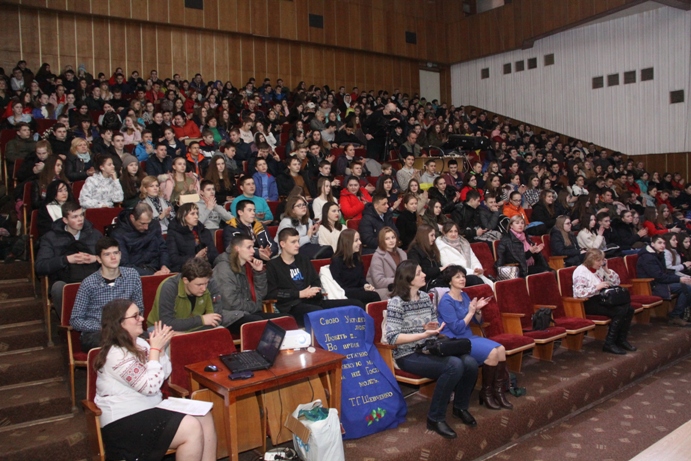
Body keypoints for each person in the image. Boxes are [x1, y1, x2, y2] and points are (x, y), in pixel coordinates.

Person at [94, 299, 217, 461]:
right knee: (190, 427)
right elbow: (150, 387)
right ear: (120, 323)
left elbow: (162, 375)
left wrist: (161, 351)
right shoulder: (115, 354)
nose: (142, 318)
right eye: (135, 316)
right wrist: (154, 349)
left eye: (140, 314)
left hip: (151, 408)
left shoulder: (140, 343)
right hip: (123, 421)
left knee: (204, 415)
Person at [384, 260, 478, 438]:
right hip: (407, 353)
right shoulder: (396, 303)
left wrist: (431, 328)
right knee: (454, 365)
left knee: (470, 363)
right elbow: (393, 337)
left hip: (430, 347)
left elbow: (432, 322)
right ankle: (435, 417)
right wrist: (423, 334)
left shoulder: (425, 297)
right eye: (419, 273)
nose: (424, 275)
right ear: (409, 279)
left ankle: (460, 407)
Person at [437, 265, 513, 410]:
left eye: (463, 276)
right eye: (458, 277)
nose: (462, 279)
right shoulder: (446, 301)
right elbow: (457, 328)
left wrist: (477, 310)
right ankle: (486, 393)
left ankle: (497, 391)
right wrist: (471, 312)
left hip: (469, 336)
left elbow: (477, 322)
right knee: (492, 353)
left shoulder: (464, 296)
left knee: (501, 349)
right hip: (456, 340)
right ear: (449, 281)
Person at [266, 228, 354, 327]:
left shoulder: (304, 260)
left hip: (314, 301)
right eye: (293, 242)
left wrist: (313, 291)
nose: (298, 245)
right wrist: (300, 294)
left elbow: (315, 280)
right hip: (292, 306)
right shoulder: (273, 265)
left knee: (353, 305)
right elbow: (272, 293)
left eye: (298, 241)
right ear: (282, 244)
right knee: (318, 313)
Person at [70, 237, 144, 351]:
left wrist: (127, 324)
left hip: (127, 329)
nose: (113, 257)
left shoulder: (132, 275)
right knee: (114, 342)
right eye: (107, 254)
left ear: (120, 254)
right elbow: (76, 319)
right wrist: (102, 327)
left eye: (116, 253)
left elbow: (139, 307)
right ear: (99, 259)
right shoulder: (88, 283)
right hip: (97, 333)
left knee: (147, 339)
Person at [212, 235, 287, 335]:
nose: (253, 251)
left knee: (285, 320)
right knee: (258, 322)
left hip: (246, 312)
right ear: (237, 248)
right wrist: (255, 307)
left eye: (253, 247)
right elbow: (230, 303)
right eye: (249, 247)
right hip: (229, 316)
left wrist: (258, 273)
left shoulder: (246, 266)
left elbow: (261, 295)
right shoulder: (223, 269)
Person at [35, 202, 102, 312]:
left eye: (81, 215)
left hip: (92, 278)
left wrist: (95, 258)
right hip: (66, 280)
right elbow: (40, 266)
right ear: (65, 220)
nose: (80, 219)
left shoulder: (95, 234)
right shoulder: (50, 238)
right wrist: (66, 259)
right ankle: (70, 321)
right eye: (75, 217)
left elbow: (112, 256)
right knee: (58, 287)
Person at [573, 249, 637, 354]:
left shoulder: (599, 269)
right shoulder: (581, 271)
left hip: (601, 298)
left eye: (602, 260)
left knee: (629, 309)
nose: (601, 263)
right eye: (598, 260)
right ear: (590, 260)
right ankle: (609, 343)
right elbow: (579, 292)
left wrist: (606, 270)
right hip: (587, 302)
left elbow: (616, 282)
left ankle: (621, 340)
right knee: (619, 311)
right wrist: (597, 287)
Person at [147, 257, 222, 332]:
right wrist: (201, 320)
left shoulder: (210, 283)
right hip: (161, 329)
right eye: (199, 285)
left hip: (195, 327)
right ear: (185, 280)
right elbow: (167, 323)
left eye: (206, 283)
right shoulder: (169, 288)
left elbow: (216, 318)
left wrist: (192, 333)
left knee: (220, 330)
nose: (204, 288)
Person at [637, 235, 691, 327]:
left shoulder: (658, 254)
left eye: (664, 243)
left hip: (660, 282)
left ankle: (681, 315)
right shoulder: (647, 257)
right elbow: (659, 276)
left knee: (687, 285)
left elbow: (665, 273)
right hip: (651, 285)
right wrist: (679, 279)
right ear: (652, 244)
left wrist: (682, 278)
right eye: (659, 243)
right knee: (686, 287)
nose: (662, 245)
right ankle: (675, 316)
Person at [110, 203, 171, 276]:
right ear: (132, 217)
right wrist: (151, 274)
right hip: (135, 274)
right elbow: (123, 264)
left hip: (156, 268)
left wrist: (164, 265)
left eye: (148, 223)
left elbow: (163, 249)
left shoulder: (154, 225)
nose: (146, 227)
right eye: (142, 223)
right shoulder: (118, 234)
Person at [330, 229, 381, 304]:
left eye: (359, 239)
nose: (360, 242)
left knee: (373, 294)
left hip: (358, 291)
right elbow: (339, 287)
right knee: (373, 296)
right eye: (356, 240)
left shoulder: (356, 257)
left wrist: (366, 285)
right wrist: (362, 289)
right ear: (348, 242)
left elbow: (361, 279)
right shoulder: (337, 261)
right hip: (344, 293)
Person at [436, 222, 493, 287]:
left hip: (473, 273)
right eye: (450, 231)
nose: (453, 234)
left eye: (455, 231)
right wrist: (472, 272)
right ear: (444, 233)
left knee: (489, 284)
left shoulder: (464, 243)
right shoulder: (441, 246)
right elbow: (449, 266)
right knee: (475, 280)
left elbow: (473, 258)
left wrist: (477, 269)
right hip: (456, 276)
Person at [166, 203, 218, 273]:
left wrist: (206, 256)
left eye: (197, 213)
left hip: (205, 267)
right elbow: (173, 259)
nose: (196, 216)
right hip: (184, 269)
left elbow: (214, 254)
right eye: (192, 214)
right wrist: (195, 257)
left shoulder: (204, 231)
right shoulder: (173, 233)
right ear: (183, 216)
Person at [277, 195, 332, 259]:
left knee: (327, 251)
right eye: (299, 205)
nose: (303, 207)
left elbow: (313, 244)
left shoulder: (308, 220)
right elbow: (289, 244)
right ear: (292, 210)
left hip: (305, 249)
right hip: (288, 253)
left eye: (304, 204)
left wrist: (314, 234)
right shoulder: (286, 222)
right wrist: (308, 236)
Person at [366, 226, 407, 298]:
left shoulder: (402, 253)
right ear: (382, 241)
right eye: (387, 239)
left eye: (393, 237)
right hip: (384, 290)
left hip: (401, 287)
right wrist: (400, 280)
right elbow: (378, 282)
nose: (391, 241)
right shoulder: (377, 256)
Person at [407, 224, 447, 288]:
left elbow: (437, 265)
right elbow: (419, 272)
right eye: (432, 235)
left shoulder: (432, 249)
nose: (434, 238)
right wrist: (439, 269)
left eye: (434, 235)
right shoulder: (413, 252)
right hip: (425, 284)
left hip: (437, 280)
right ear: (424, 236)